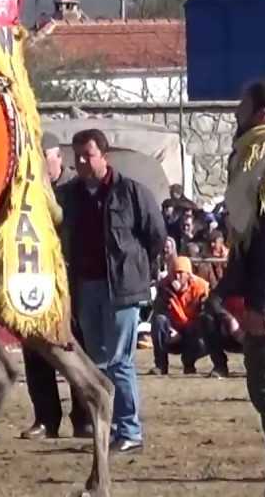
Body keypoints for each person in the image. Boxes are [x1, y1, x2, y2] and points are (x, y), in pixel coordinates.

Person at [58, 128, 166, 454]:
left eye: (87, 155)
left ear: (103, 156)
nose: (80, 162)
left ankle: (129, 429)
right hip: (85, 287)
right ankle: (109, 428)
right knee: (96, 363)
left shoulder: (132, 193)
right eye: (76, 157)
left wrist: (138, 273)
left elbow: (155, 235)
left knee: (119, 361)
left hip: (122, 289)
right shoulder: (69, 196)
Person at [214, 77, 265, 496]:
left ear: (262, 114)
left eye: (242, 106)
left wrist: (264, 305)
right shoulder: (253, 159)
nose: (236, 113)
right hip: (262, 292)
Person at [21, 130, 93, 440]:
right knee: (36, 349)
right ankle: (46, 419)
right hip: (36, 276)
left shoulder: (76, 189)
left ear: (57, 157)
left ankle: (84, 416)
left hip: (73, 279)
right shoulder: (26, 190)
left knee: (77, 345)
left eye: (43, 160)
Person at [150, 255, 210, 375]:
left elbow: (205, 313)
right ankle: (161, 365)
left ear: (188, 274)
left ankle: (189, 363)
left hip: (193, 332)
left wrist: (188, 331)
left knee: (205, 330)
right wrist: (173, 330)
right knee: (159, 320)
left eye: (181, 273)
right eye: (174, 273)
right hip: (172, 333)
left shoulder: (201, 287)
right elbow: (159, 311)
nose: (177, 276)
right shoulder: (163, 286)